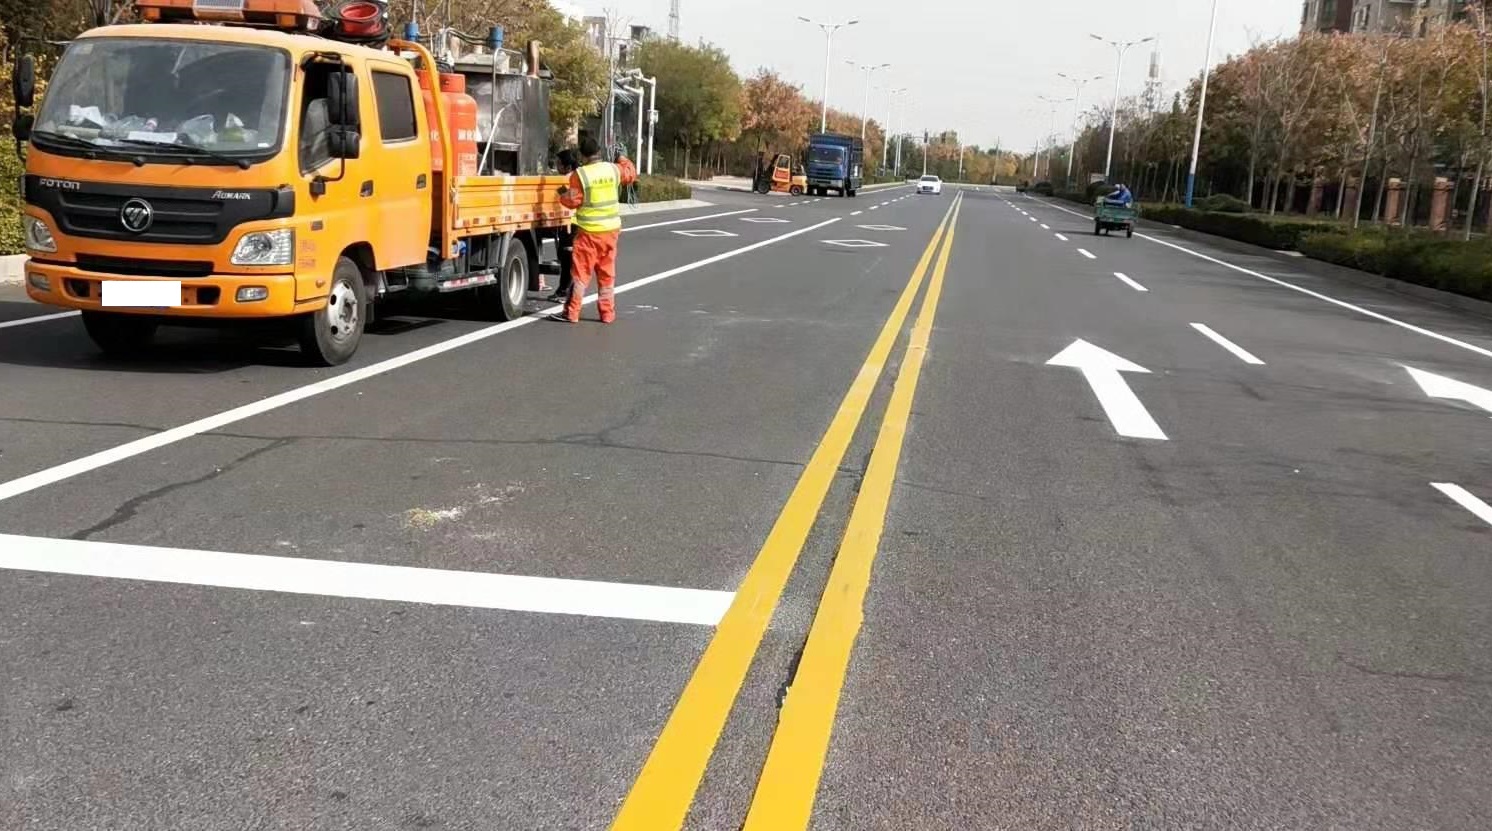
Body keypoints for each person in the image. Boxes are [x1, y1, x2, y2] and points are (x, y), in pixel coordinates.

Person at [550, 135, 638, 324]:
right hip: (611, 232)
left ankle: (571, 313)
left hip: (588, 233)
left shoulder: (580, 175)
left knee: (580, 276)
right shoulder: (613, 169)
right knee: (607, 275)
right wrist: (622, 157)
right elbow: (631, 173)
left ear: (583, 156)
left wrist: (561, 194)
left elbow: (573, 202)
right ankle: (607, 314)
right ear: (599, 152)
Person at [545, 147, 580, 303]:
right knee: (566, 259)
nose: (556, 167)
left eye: (559, 164)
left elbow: (569, 199)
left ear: (567, 166)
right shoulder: (576, 176)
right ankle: (564, 291)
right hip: (569, 223)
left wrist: (557, 188)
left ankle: (563, 292)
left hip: (571, 224)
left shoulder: (569, 179)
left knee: (567, 260)